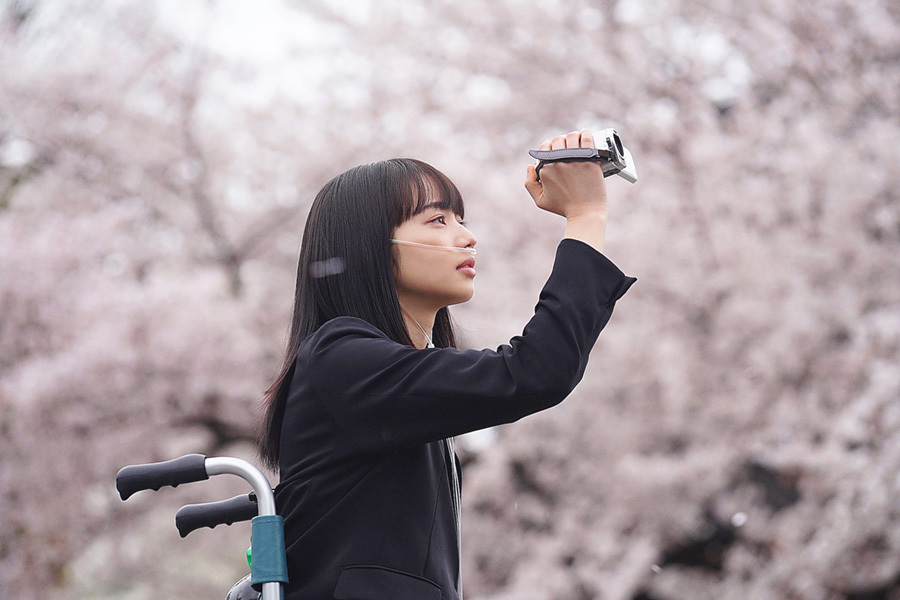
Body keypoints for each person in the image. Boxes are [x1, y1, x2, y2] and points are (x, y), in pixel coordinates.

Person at [258, 129, 636, 600]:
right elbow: (536, 372)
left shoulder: (380, 375)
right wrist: (585, 216)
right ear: (370, 246)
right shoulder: (342, 358)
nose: (467, 237)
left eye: (461, 219)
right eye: (438, 220)